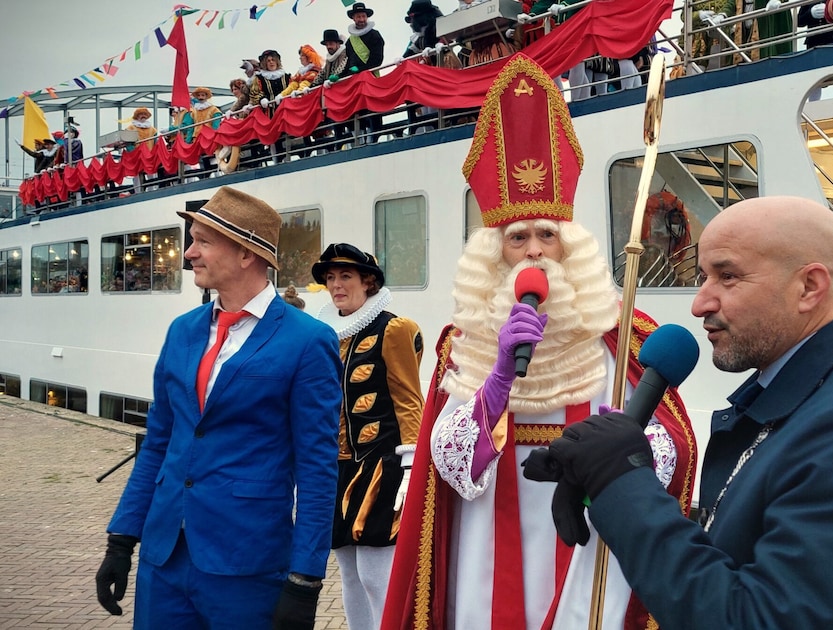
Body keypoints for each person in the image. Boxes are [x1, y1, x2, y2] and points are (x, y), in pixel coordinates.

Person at [529, 195, 833, 628]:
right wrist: (605, 477)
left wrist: (621, 481)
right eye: (703, 276)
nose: (700, 303)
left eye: (728, 276)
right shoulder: (810, 398)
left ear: (809, 287)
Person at [380, 54, 697, 630]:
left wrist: (630, 442)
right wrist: (495, 382)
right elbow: (447, 467)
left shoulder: (622, 331)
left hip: (590, 542)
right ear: (493, 252)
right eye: (517, 237)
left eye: (546, 235)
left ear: (567, 244)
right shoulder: (464, 341)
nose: (532, 251)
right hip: (484, 541)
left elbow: (670, 451)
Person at [94, 186, 343, 628]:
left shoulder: (306, 341)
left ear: (247, 253)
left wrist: (306, 579)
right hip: (164, 557)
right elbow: (159, 442)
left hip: (247, 564)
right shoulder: (182, 331)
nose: (189, 253)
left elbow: (317, 467)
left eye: (203, 241)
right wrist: (121, 538)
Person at [310, 243, 425, 630]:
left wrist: (412, 465)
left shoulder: (393, 329)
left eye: (345, 276)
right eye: (330, 278)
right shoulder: (325, 335)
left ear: (368, 282)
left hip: (382, 468)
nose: (336, 285)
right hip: (337, 469)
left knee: (377, 575)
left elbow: (410, 400)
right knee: (348, 574)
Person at [344, 2, 386, 142]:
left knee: (372, 108)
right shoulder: (350, 42)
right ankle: (359, 137)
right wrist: (339, 75)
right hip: (356, 82)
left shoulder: (374, 35)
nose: (361, 19)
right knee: (357, 109)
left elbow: (377, 60)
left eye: (363, 16)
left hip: (371, 78)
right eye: (358, 16)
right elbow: (348, 62)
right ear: (353, 18)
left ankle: (374, 137)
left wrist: (361, 70)